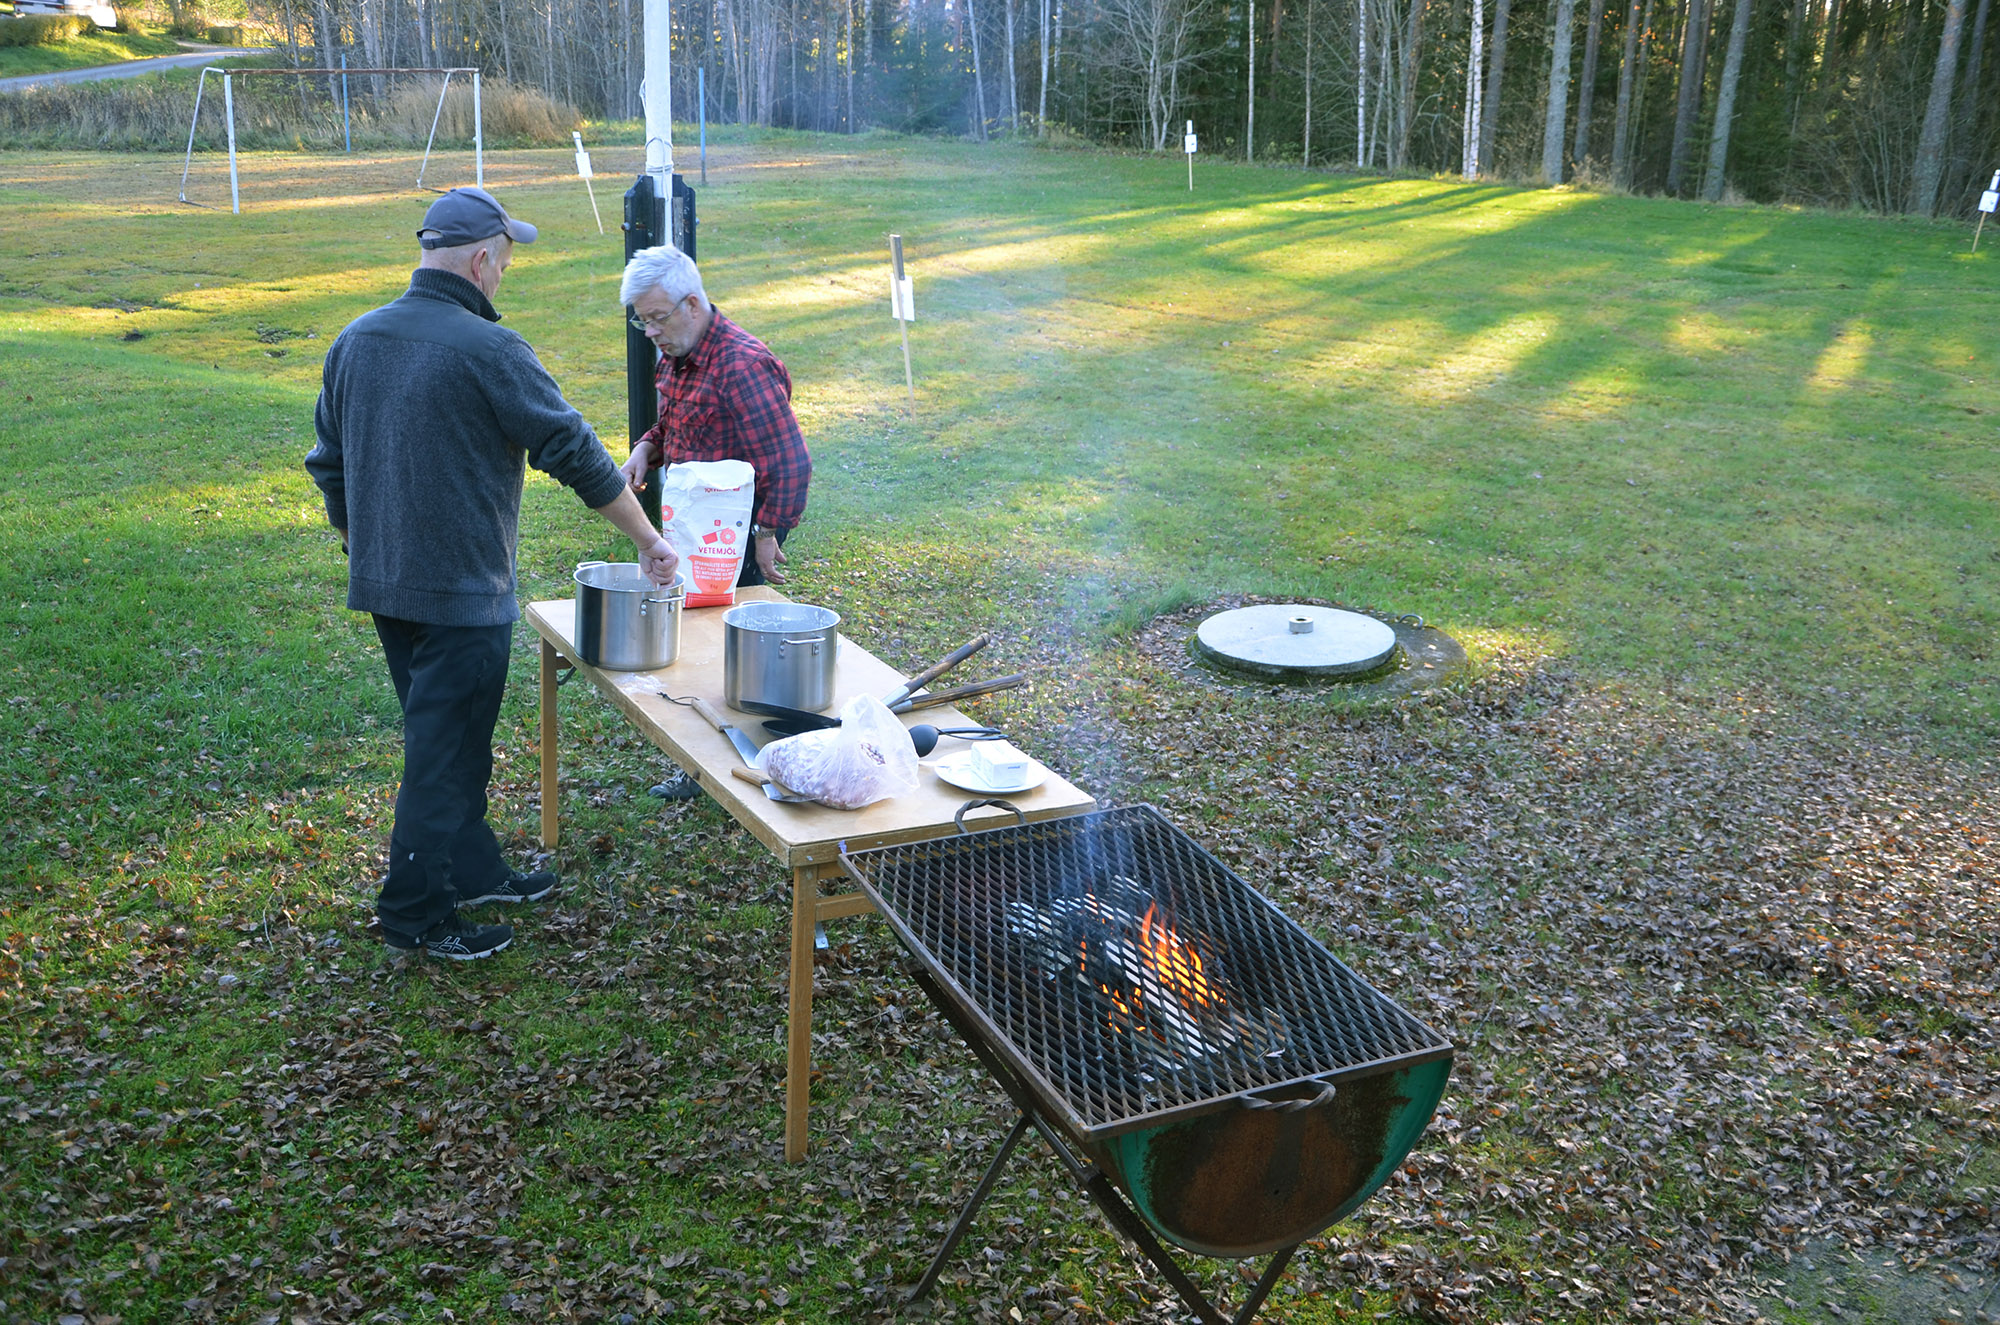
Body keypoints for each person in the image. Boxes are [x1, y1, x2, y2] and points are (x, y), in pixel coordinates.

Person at [307, 186, 679, 962]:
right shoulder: (491, 350)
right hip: (463, 595)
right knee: (442, 752)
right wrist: (647, 538)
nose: (503, 277)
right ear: (481, 259)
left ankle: (473, 869)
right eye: (505, 262)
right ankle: (414, 915)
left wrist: (360, 540)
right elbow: (573, 449)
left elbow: (328, 463)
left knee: (449, 735)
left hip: (388, 587)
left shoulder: (357, 338)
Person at [617, 244, 811, 801]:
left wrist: (769, 533)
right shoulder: (677, 352)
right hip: (692, 520)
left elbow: (791, 461)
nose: (648, 330)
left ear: (693, 303)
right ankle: (704, 758)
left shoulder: (743, 366)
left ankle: (760, 754)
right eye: (642, 319)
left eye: (656, 317)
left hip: (737, 533)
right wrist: (647, 448)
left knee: (736, 649)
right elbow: (674, 420)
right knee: (699, 640)